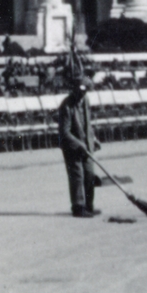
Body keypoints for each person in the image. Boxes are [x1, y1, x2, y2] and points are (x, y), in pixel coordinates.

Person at [57, 73, 100, 218]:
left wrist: (93, 138)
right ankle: (78, 207)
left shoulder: (86, 100)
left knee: (89, 174)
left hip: (86, 143)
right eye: (80, 91)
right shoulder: (66, 106)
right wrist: (79, 144)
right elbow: (64, 132)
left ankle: (89, 205)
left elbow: (87, 123)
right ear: (74, 89)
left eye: (85, 91)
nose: (82, 94)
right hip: (71, 146)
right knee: (77, 175)